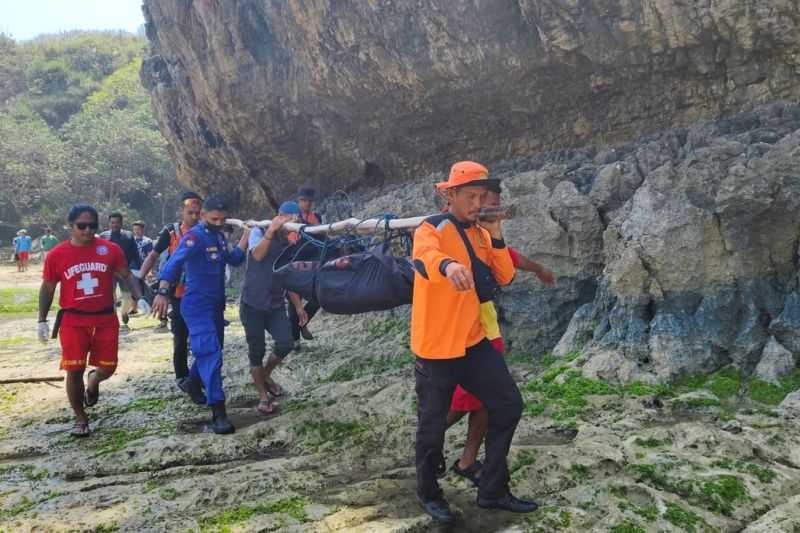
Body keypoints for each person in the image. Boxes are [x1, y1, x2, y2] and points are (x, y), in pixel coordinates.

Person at [411, 161, 537, 524]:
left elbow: (506, 275)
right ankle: (429, 493)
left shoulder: (481, 234)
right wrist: (449, 267)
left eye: (482, 196)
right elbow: (425, 258)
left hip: (472, 342)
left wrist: (496, 234)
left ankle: (493, 489)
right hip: (435, 348)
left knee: (509, 404)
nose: (477, 203)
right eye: (470, 196)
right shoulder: (430, 228)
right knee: (431, 425)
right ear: (449, 195)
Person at [446, 180, 556, 488]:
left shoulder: (485, 235)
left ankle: (467, 461)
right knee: (456, 406)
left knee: (484, 402)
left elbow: (512, 258)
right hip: (462, 336)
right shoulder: (453, 232)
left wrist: (539, 270)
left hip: (486, 332)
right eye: (482, 202)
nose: (487, 208)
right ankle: (426, 450)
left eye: (493, 204)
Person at [37, 204, 149, 437]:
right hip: (73, 320)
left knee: (108, 367)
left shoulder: (110, 250)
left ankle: (95, 380)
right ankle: (80, 417)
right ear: (70, 226)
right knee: (74, 369)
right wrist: (41, 320)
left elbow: (127, 275)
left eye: (92, 226)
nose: (87, 231)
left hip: (106, 318)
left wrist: (140, 298)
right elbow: (48, 287)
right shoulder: (57, 254)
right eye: (81, 226)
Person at [151, 196, 250, 434]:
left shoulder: (218, 235)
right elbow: (174, 263)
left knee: (211, 351)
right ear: (203, 215)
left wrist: (246, 235)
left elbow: (235, 259)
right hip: (196, 306)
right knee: (212, 355)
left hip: (216, 306)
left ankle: (192, 382)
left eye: (222, 219)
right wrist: (163, 292)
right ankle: (218, 411)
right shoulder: (194, 237)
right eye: (214, 218)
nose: (218, 222)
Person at [240, 201, 307, 415]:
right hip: (252, 304)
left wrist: (298, 308)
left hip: (275, 304)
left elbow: (289, 279)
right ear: (280, 216)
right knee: (256, 351)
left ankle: (266, 374)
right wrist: (271, 230)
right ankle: (263, 396)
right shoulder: (259, 231)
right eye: (289, 218)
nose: (293, 223)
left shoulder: (290, 243)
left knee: (286, 342)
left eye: (296, 219)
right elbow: (258, 255)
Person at [139, 192, 202, 398]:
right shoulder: (171, 232)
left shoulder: (205, 231)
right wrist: (139, 279)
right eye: (190, 212)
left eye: (197, 212)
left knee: (202, 338)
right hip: (177, 294)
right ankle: (182, 377)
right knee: (181, 337)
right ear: (181, 211)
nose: (194, 216)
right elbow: (153, 255)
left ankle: (198, 377)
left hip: (200, 294)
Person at [288, 186, 323, 345]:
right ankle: (294, 339)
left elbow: (322, 237)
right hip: (293, 259)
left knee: (317, 297)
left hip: (312, 261)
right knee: (294, 301)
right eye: (303, 200)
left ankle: (303, 323)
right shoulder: (290, 217)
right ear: (298, 201)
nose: (306, 203)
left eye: (309, 201)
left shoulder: (318, 217)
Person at [100, 213, 140, 330]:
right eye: (112, 223)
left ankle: (124, 313)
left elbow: (135, 254)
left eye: (117, 223)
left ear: (121, 223)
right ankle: (113, 319)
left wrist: (138, 269)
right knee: (110, 296)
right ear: (109, 223)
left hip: (124, 272)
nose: (114, 225)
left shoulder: (128, 236)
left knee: (127, 296)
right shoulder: (103, 237)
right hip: (108, 272)